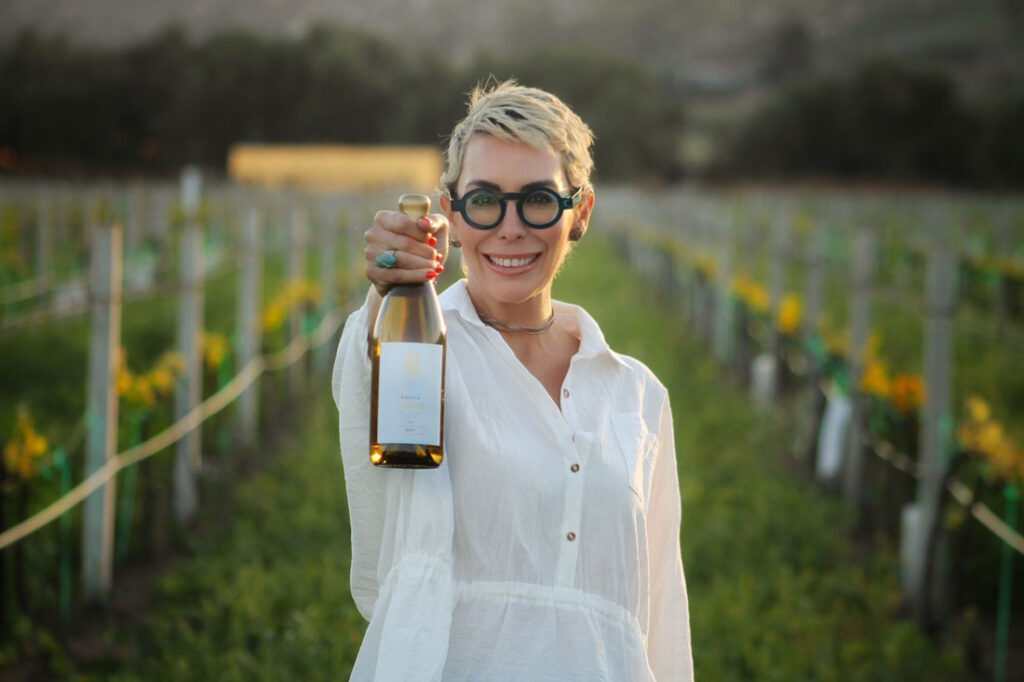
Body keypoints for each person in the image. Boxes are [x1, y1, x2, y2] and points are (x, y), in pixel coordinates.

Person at [332, 80, 693, 681]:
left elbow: (661, 612)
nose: (510, 227)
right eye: (484, 200)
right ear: (449, 213)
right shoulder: (418, 347)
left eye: (538, 200)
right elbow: (362, 370)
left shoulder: (637, 394)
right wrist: (386, 290)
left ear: (580, 212)